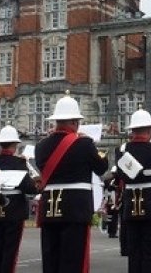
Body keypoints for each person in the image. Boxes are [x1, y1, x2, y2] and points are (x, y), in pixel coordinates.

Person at [35, 92, 108, 273]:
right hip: (75, 207)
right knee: (74, 261)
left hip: (50, 207)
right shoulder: (84, 143)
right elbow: (101, 168)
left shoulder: (41, 146)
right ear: (75, 122)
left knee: (51, 258)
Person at [116, 109, 151, 273]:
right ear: (149, 131)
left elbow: (121, 175)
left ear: (132, 131)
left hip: (132, 204)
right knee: (150, 251)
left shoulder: (122, 150)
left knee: (134, 251)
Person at [0, 125, 37, 273]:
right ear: (15, 144)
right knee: (10, 249)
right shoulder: (20, 163)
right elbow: (30, 188)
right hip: (15, 209)